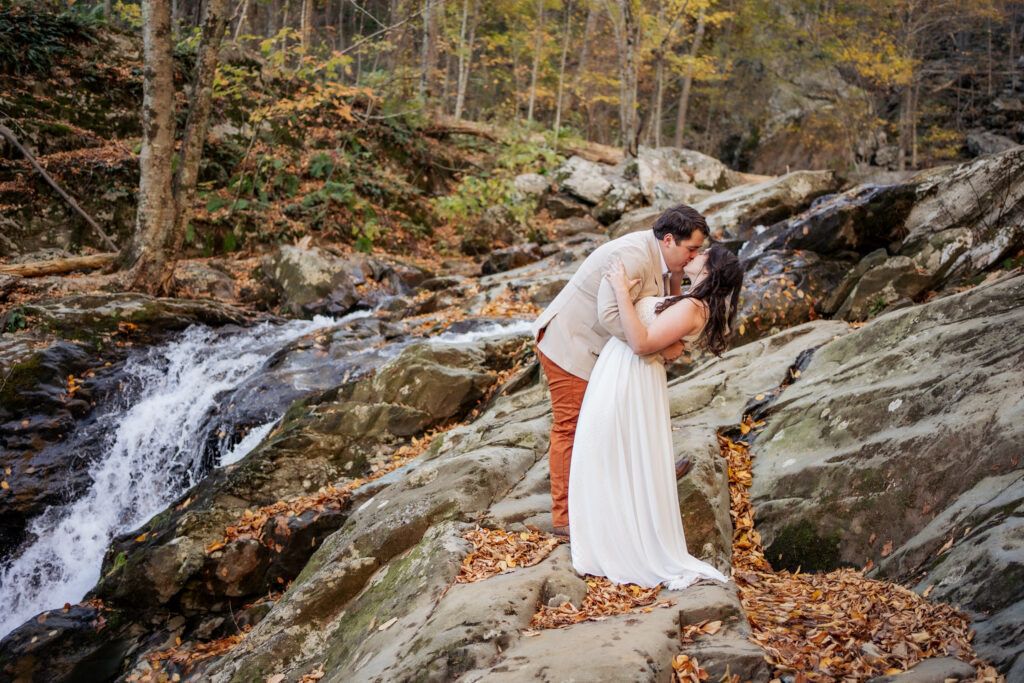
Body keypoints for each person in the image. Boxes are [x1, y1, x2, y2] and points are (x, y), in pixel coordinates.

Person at [567, 245, 743, 589]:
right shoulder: (688, 298)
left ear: (711, 269)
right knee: (603, 452)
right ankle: (604, 538)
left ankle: (619, 546)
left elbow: (641, 342)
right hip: (621, 371)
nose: (697, 251)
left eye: (703, 252)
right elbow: (665, 335)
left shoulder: (694, 307)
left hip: (631, 374)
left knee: (607, 453)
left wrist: (620, 291)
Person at [532, 206, 708, 539]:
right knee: (570, 427)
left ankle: (646, 479)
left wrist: (674, 280)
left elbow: (661, 308)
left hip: (605, 351)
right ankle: (564, 518)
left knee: (626, 412)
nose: (695, 255)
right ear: (669, 240)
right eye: (691, 249)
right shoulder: (634, 256)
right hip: (572, 344)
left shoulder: (662, 259)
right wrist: (655, 346)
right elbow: (611, 314)